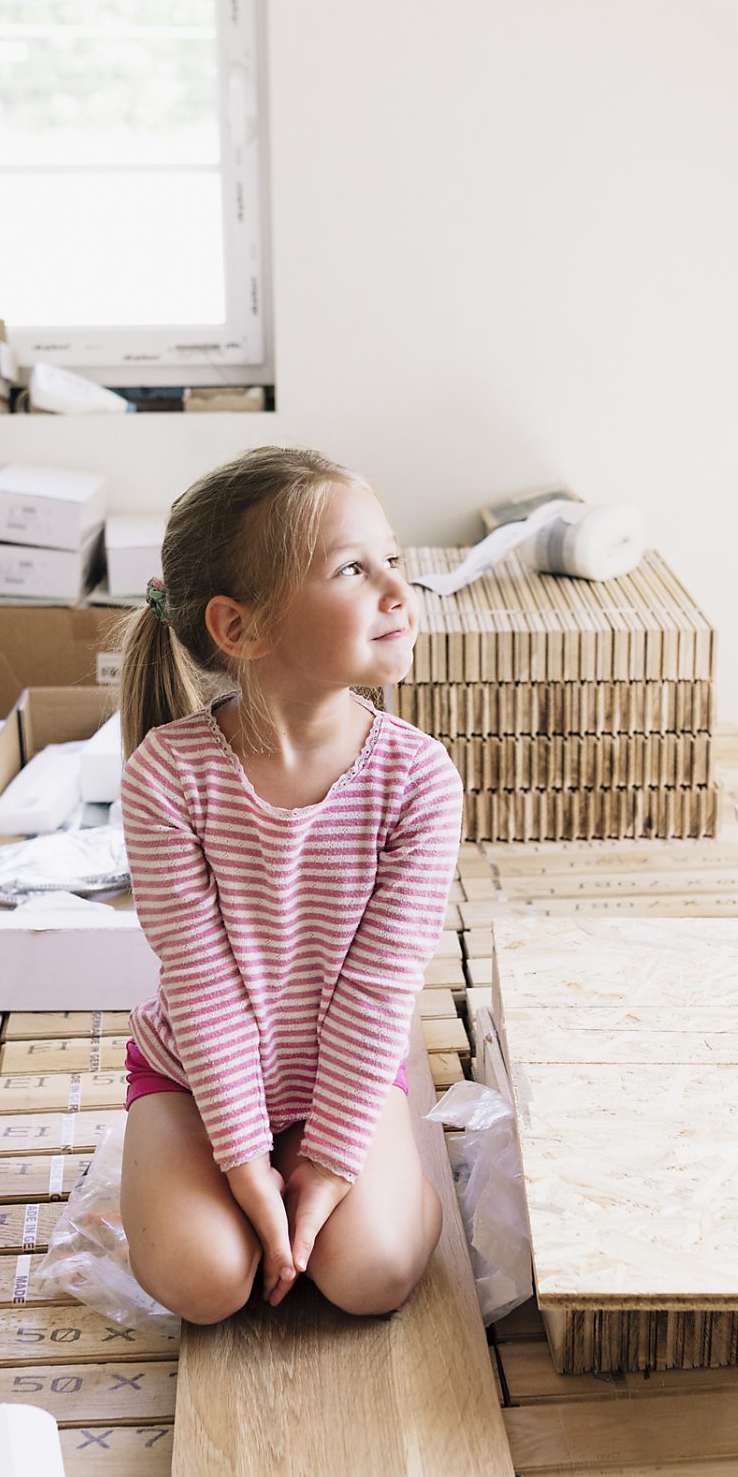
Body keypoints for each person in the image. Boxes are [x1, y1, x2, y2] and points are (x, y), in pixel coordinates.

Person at [114, 445, 461, 1324]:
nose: (395, 590)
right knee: (207, 1284)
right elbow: (201, 986)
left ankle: (397, 1167)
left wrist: (330, 1164)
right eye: (353, 568)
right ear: (240, 629)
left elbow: (380, 988)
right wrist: (248, 1173)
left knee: (370, 1274)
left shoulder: (420, 780)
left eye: (394, 559)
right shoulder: (166, 778)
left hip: (345, 1067)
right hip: (196, 1076)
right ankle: (184, 1185)